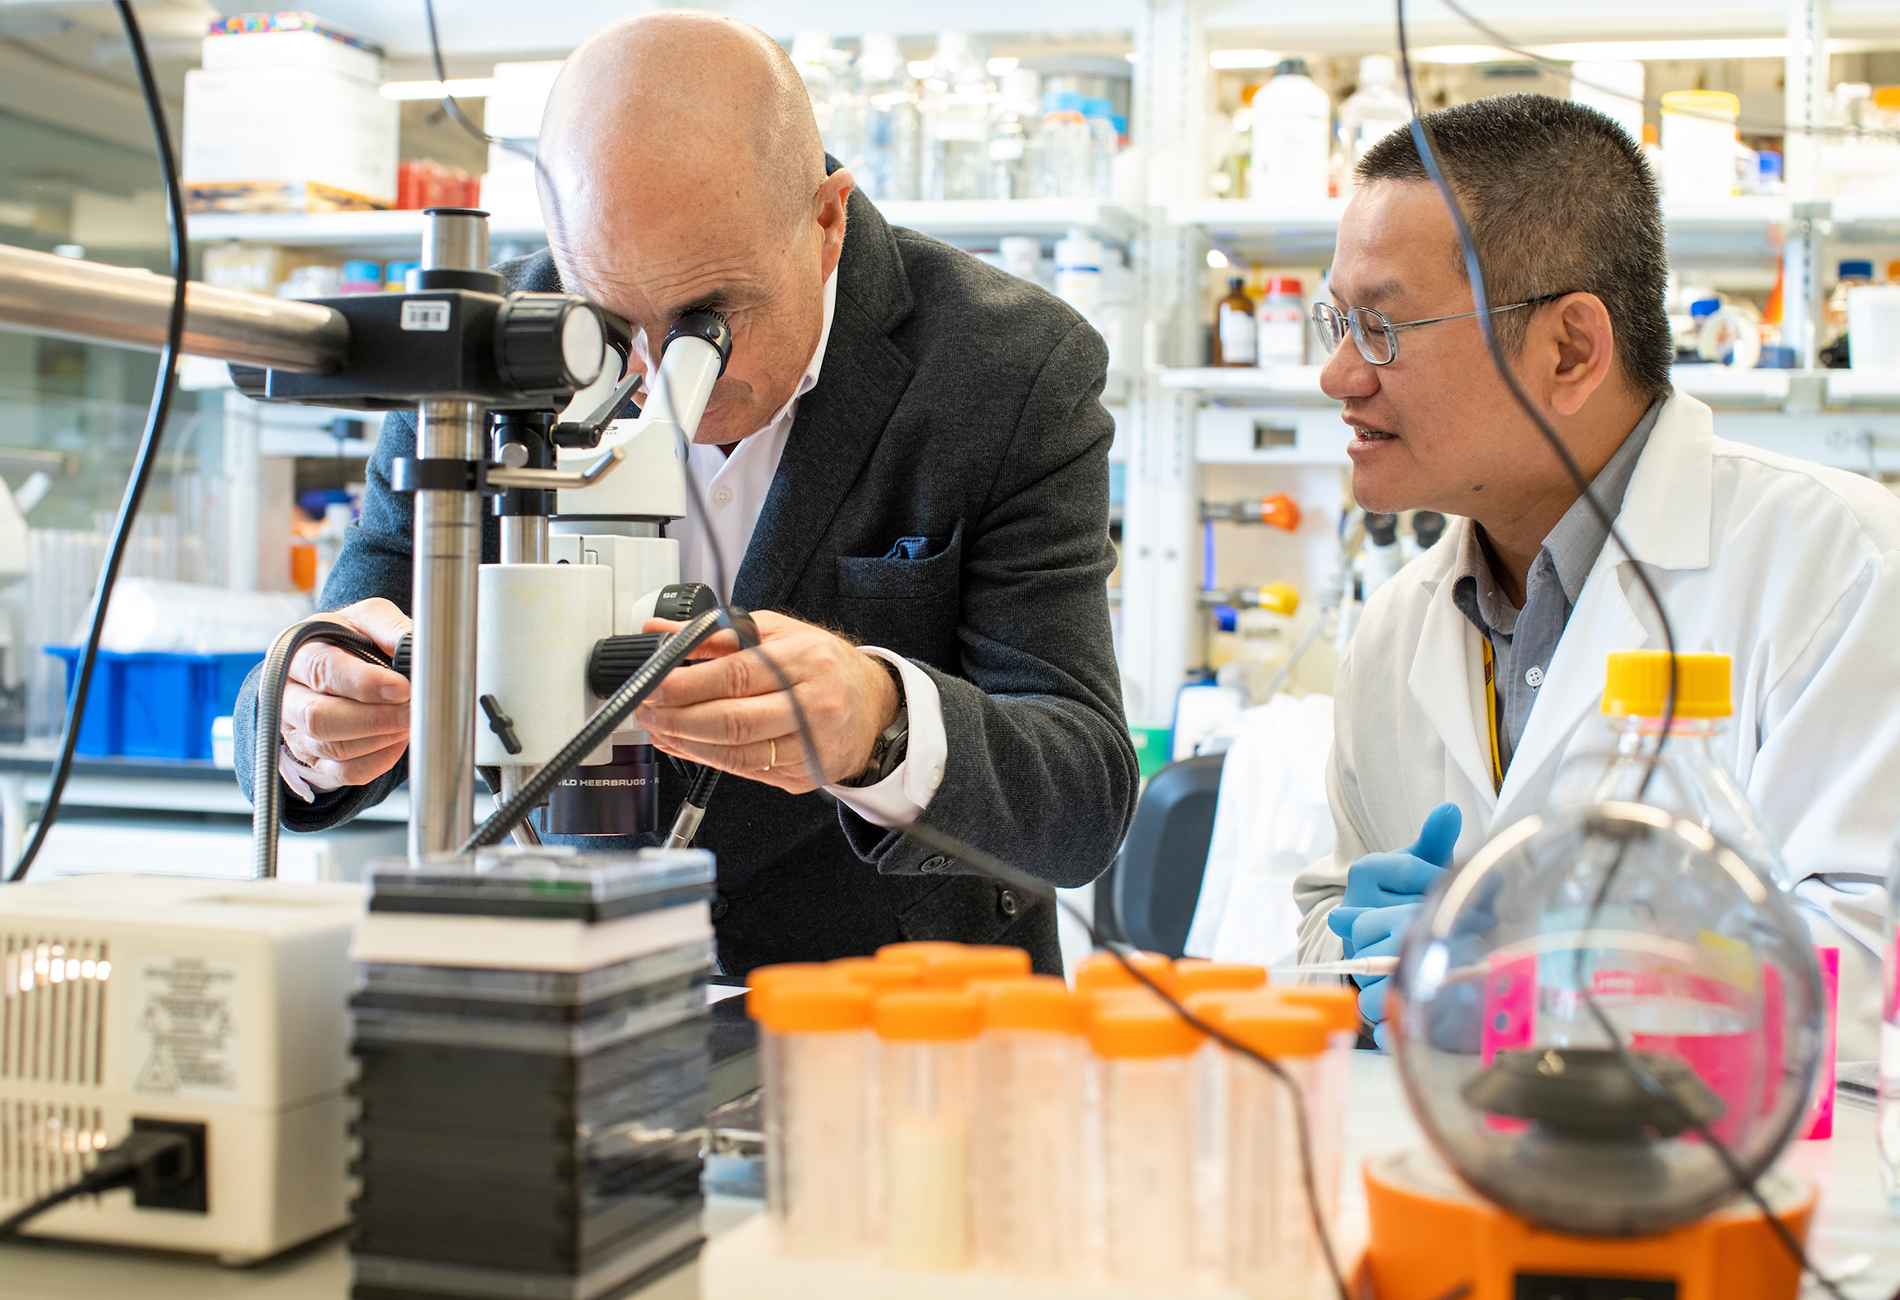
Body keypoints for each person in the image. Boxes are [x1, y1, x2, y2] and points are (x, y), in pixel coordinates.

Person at [232, 12, 1137, 976]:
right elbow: (316, 672)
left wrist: (880, 718)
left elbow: (1083, 797)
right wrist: (306, 720)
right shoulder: (481, 349)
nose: (664, 373)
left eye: (712, 316)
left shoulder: (1010, 367)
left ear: (826, 221)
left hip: (896, 1012)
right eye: (611, 318)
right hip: (573, 985)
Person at [1292, 95, 1898, 1059]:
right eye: (1337, 321)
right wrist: (1365, 967)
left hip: (1741, 1192)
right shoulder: (1399, 627)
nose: (1338, 375)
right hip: (1462, 1171)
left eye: (1383, 328)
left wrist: (1542, 976)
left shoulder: (1842, 565)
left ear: (1569, 349)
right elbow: (1332, 919)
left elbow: (1867, 976)